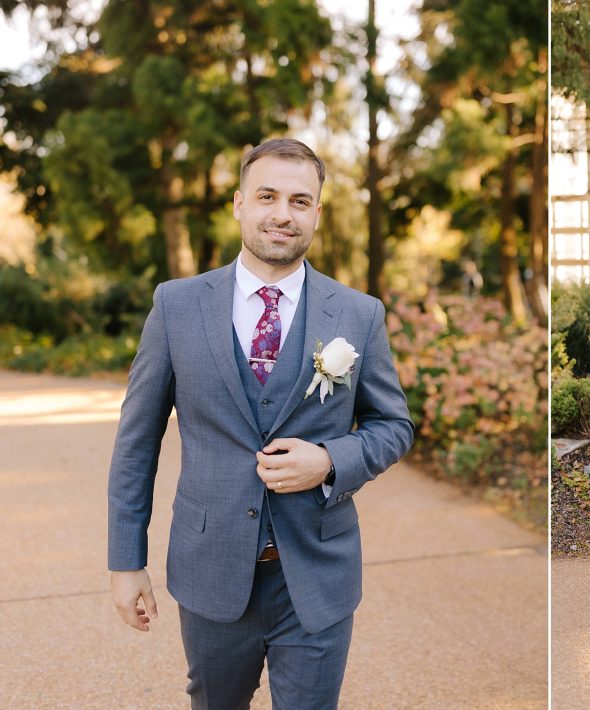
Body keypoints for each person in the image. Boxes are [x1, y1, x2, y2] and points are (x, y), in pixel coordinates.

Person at [107, 138, 415, 708]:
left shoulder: (357, 313)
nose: (282, 213)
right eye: (267, 196)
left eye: (300, 201)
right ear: (239, 204)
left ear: (317, 213)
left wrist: (329, 461)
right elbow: (137, 440)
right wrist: (127, 562)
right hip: (211, 571)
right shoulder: (176, 306)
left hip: (318, 575)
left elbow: (393, 425)